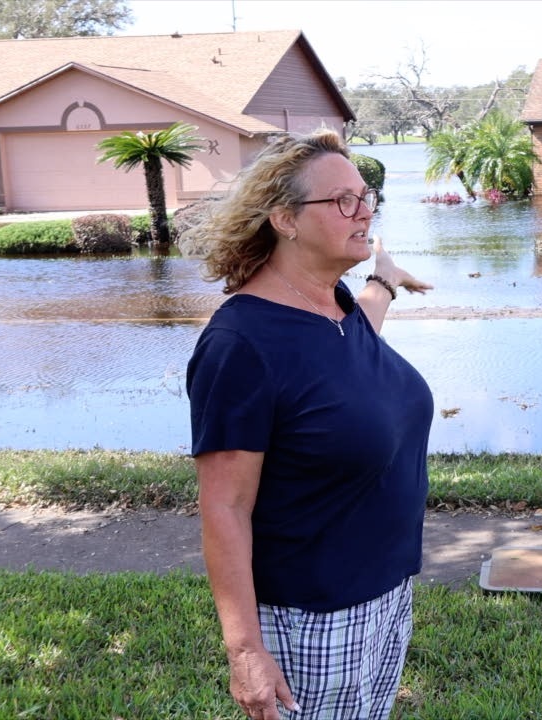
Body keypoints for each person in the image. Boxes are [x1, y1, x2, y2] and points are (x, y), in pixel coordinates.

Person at [185, 127, 434, 720]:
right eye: (342, 200)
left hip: (385, 591)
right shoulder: (241, 344)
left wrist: (384, 281)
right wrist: (244, 649)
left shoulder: (335, 302)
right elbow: (225, 506)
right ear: (285, 219)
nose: (363, 211)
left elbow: (350, 350)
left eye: (365, 196)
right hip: (314, 616)